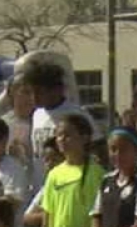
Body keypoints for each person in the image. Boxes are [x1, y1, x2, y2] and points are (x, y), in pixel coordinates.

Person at [25, 59, 97, 191]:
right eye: (31, 92)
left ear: (56, 90)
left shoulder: (76, 113)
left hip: (69, 184)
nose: (34, 97)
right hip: (42, 184)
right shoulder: (37, 115)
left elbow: (97, 148)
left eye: (39, 92)